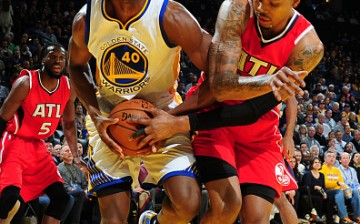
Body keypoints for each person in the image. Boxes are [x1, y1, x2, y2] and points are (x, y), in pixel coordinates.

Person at [68, 0, 307, 223]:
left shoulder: (172, 16)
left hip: (164, 113)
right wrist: (94, 112)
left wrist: (172, 118)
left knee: (188, 203)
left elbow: (218, 81)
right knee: (113, 217)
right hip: (111, 119)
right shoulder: (86, 19)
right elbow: (76, 65)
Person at [129, 0, 324, 223]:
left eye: (273, 3)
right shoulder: (237, 9)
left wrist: (178, 123)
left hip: (259, 134)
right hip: (212, 116)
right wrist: (269, 81)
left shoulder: (308, 48)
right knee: (227, 206)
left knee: (257, 218)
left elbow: (252, 111)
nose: (261, 8)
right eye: (259, 0)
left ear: (295, 2)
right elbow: (220, 87)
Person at [0, 43, 79, 223]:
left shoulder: (68, 87)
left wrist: (76, 155)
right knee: (8, 198)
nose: (57, 61)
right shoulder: (25, 83)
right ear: (43, 59)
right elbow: (2, 119)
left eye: (61, 58)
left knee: (61, 199)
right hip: (15, 142)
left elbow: (68, 123)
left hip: (38, 146)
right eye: (53, 56)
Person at [320, 151, 356, 224]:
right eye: (329, 156)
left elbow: (342, 183)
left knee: (354, 191)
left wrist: (345, 189)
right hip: (327, 191)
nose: (332, 158)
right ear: (324, 159)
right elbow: (326, 184)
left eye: (333, 157)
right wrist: (337, 184)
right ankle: (344, 217)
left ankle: (357, 216)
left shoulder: (336, 170)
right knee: (339, 191)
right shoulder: (322, 169)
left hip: (338, 191)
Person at [57, 144, 87, 224]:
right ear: (61, 154)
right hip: (67, 192)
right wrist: (82, 191)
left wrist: (86, 190)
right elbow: (65, 187)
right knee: (80, 193)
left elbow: (84, 184)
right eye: (67, 151)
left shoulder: (78, 167)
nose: (70, 153)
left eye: (71, 151)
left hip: (81, 192)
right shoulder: (59, 168)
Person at [339, 152, 360, 223]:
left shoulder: (353, 170)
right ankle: (357, 216)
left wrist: (359, 188)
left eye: (347, 158)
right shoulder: (337, 170)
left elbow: (356, 183)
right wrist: (349, 188)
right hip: (343, 190)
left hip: (354, 189)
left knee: (356, 191)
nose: (345, 160)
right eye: (343, 158)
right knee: (355, 191)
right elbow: (339, 183)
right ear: (340, 160)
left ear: (349, 160)